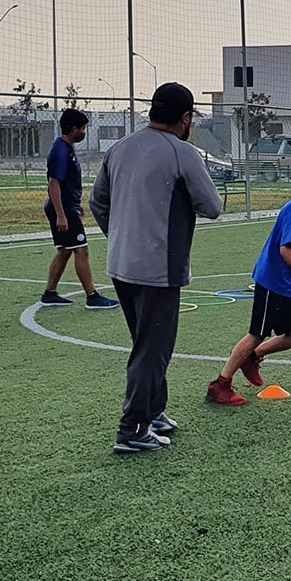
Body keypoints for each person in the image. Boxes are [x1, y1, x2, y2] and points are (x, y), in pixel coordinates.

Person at [89, 82, 223, 455]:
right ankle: (132, 429)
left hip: (120, 264)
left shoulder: (119, 148)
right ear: (185, 118)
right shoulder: (183, 152)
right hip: (158, 270)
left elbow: (97, 202)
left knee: (147, 344)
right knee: (152, 349)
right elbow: (212, 206)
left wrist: (120, 235)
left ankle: (153, 412)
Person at [207, 161, 291, 406]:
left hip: (287, 283)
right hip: (272, 282)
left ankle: (253, 358)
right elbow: (285, 250)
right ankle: (220, 384)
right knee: (256, 334)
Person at [40, 108, 119, 310]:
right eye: (82, 128)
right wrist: (61, 214)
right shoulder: (60, 151)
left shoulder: (67, 148)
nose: (84, 132)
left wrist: (76, 207)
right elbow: (54, 184)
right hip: (63, 209)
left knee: (65, 250)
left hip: (68, 207)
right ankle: (92, 296)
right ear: (73, 128)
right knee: (81, 250)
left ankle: (50, 293)